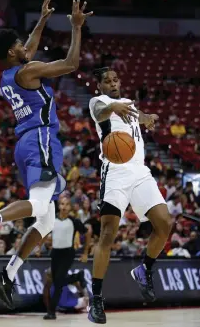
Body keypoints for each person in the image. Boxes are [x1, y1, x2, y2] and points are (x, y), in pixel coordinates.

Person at [0, 0, 93, 310]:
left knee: (45, 220)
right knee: (38, 204)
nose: (27, 46)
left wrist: (42, 20)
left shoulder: (10, 75)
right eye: (21, 44)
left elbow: (29, 52)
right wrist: (76, 28)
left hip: (24, 145)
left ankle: (7, 276)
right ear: (12, 51)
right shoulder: (29, 70)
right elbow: (71, 65)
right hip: (41, 138)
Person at [87, 68, 172, 324]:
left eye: (115, 80)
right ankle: (97, 298)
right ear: (100, 85)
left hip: (140, 172)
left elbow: (138, 114)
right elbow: (102, 112)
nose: (112, 83)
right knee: (108, 234)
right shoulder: (98, 102)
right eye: (107, 81)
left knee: (165, 223)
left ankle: (144, 268)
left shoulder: (127, 103)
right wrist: (113, 106)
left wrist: (147, 117)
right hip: (115, 173)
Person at [43, 196, 90, 319]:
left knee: (58, 282)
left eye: (67, 204)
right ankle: (76, 277)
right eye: (62, 204)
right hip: (55, 253)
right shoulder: (52, 220)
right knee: (56, 280)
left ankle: (51, 312)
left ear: (70, 207)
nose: (64, 207)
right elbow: (43, 231)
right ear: (59, 206)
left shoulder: (74, 221)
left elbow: (87, 232)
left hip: (68, 254)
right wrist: (40, 245)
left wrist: (85, 252)